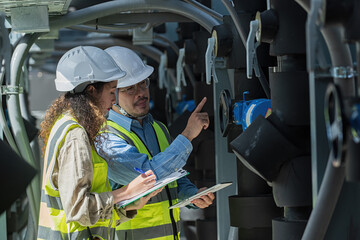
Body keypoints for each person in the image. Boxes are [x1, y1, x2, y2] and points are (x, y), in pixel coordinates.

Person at [37, 46, 161, 240]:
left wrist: (129, 205)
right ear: (92, 91)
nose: (114, 101)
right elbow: (79, 210)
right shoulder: (75, 135)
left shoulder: (72, 126)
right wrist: (126, 191)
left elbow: (90, 213)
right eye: (112, 92)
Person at [96, 46, 215, 240]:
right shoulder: (106, 137)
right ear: (112, 96)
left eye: (143, 84)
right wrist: (187, 135)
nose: (141, 93)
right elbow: (148, 177)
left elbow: (173, 177)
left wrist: (192, 195)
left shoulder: (157, 128)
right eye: (130, 89)